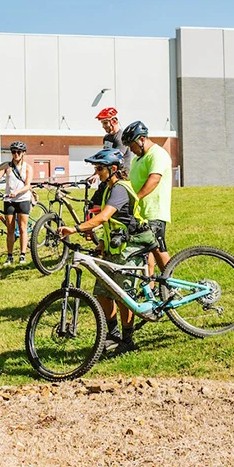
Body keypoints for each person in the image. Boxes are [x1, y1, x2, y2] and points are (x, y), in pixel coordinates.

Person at [57, 148, 156, 354]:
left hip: (131, 248)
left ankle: (128, 341)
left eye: (100, 168)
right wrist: (102, 243)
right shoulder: (109, 189)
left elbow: (103, 217)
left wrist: (75, 229)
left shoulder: (120, 189)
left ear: (113, 169)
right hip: (114, 247)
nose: (97, 172)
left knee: (123, 296)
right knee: (102, 293)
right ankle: (113, 336)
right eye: (96, 168)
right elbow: (112, 222)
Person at [123, 120, 172, 274]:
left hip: (154, 211)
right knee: (147, 252)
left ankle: (171, 284)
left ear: (141, 139)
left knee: (158, 249)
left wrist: (135, 198)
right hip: (140, 213)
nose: (132, 150)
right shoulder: (137, 159)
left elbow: (154, 179)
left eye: (132, 146)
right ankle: (151, 288)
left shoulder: (157, 154)